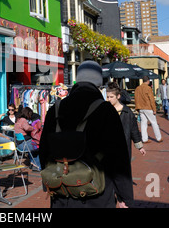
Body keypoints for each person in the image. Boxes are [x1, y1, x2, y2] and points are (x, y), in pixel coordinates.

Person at [39, 61, 133, 208]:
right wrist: (124, 195)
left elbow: (43, 148)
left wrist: (48, 183)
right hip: (96, 190)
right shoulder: (105, 110)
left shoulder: (56, 109)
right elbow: (119, 155)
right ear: (99, 83)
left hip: (61, 188)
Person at [106, 82, 146, 158]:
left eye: (111, 97)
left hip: (124, 147)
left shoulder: (127, 112)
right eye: (107, 97)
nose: (108, 99)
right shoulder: (105, 111)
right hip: (109, 147)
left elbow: (134, 130)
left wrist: (139, 147)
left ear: (118, 96)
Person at [134, 76, 163, 143]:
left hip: (141, 107)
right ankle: (158, 138)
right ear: (148, 81)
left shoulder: (137, 88)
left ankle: (144, 139)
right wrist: (154, 109)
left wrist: (137, 108)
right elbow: (151, 99)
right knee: (154, 123)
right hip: (148, 107)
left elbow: (136, 98)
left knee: (143, 124)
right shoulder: (148, 88)